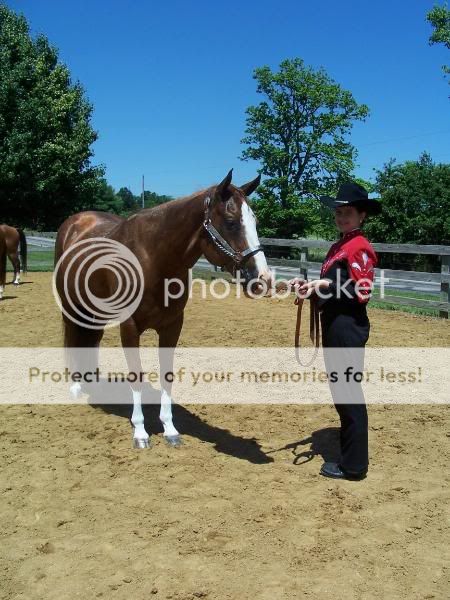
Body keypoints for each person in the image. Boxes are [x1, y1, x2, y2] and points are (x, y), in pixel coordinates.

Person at [289, 182, 382, 480]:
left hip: (346, 328)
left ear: (362, 215)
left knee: (348, 393)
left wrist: (326, 285)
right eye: (339, 212)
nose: (342, 217)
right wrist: (310, 289)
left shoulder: (359, 247)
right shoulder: (339, 246)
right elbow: (332, 289)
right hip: (334, 325)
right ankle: (350, 454)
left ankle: (354, 466)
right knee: (341, 392)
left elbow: (362, 291)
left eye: (348, 212)